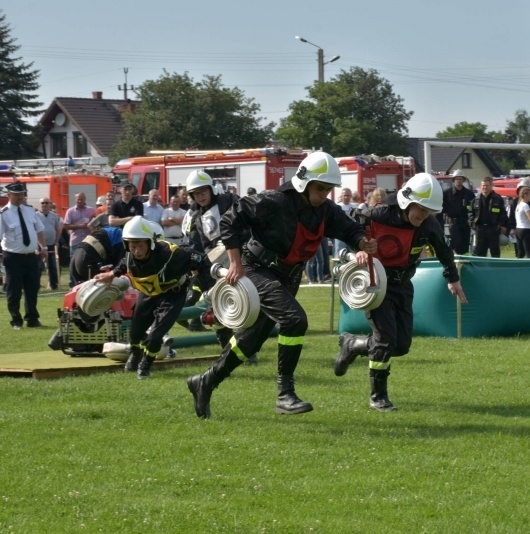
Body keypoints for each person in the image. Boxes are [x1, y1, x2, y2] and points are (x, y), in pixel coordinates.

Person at [186, 152, 377, 419]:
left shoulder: (326, 209)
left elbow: (349, 228)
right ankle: (285, 394)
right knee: (294, 320)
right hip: (257, 268)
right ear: (304, 183)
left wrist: (362, 243)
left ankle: (205, 381)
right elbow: (230, 221)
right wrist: (235, 263)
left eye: (328, 189)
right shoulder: (273, 201)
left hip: (287, 276)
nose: (324, 194)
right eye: (320, 188)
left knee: (250, 342)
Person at [334, 173, 467, 410]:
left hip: (404, 285)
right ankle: (378, 397)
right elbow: (350, 229)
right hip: (377, 284)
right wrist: (358, 248)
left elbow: (444, 250)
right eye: (420, 209)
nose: (423, 215)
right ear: (407, 202)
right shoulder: (376, 214)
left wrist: (452, 278)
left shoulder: (429, 224)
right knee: (385, 340)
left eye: (428, 211)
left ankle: (353, 344)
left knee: (401, 346)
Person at [94, 216, 211, 379]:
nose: (136, 251)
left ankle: (146, 363)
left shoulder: (172, 255)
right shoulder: (129, 255)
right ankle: (135, 354)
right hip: (148, 293)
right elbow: (124, 264)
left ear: (150, 243)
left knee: (156, 334)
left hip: (173, 294)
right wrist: (112, 274)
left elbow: (202, 260)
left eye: (140, 246)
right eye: (133, 246)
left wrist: (208, 291)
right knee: (135, 332)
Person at [183, 170, 240, 344]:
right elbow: (205, 246)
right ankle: (226, 344)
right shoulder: (198, 218)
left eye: (203, 191)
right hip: (220, 264)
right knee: (218, 307)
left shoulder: (228, 200)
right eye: (196, 194)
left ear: (211, 189)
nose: (201, 196)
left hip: (243, 255)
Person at [0, 182, 47, 329]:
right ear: (9, 195)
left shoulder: (29, 210)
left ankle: (32, 319)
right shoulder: (4, 214)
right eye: (17, 195)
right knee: (14, 291)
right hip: (13, 257)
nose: (20, 197)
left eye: (22, 194)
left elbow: (39, 229)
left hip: (31, 256)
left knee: (32, 289)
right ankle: (16, 320)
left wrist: (44, 247)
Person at [63, 192, 96, 288]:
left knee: (87, 261)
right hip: (75, 241)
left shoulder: (91, 210)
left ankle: (86, 282)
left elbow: (96, 222)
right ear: (75, 200)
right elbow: (66, 226)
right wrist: (80, 226)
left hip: (88, 241)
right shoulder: (70, 211)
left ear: (85, 199)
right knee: (73, 262)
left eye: (82, 199)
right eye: (78, 199)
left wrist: (91, 224)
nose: (80, 201)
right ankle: (73, 283)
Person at [468, 177, 508, 257]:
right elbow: (470, 213)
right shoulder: (476, 199)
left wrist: (501, 225)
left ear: (491, 186)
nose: (485, 187)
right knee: (479, 252)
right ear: (481, 186)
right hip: (480, 229)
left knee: (495, 252)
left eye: (487, 185)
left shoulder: (497, 199)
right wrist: (472, 223)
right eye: (483, 185)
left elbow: (503, 213)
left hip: (493, 229)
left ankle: (494, 265)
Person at [507, 179, 530, 258]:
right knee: (529, 252)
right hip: (526, 229)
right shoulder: (522, 204)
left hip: (520, 229)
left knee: (521, 252)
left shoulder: (520, 204)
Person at [37, 197, 63, 290]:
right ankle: (35, 285)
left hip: (51, 244)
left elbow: (57, 229)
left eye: (46, 203)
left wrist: (57, 241)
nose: (44, 204)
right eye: (42, 203)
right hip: (39, 245)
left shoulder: (54, 216)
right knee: (38, 266)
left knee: (52, 266)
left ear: (50, 204)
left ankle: (53, 285)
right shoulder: (35, 216)